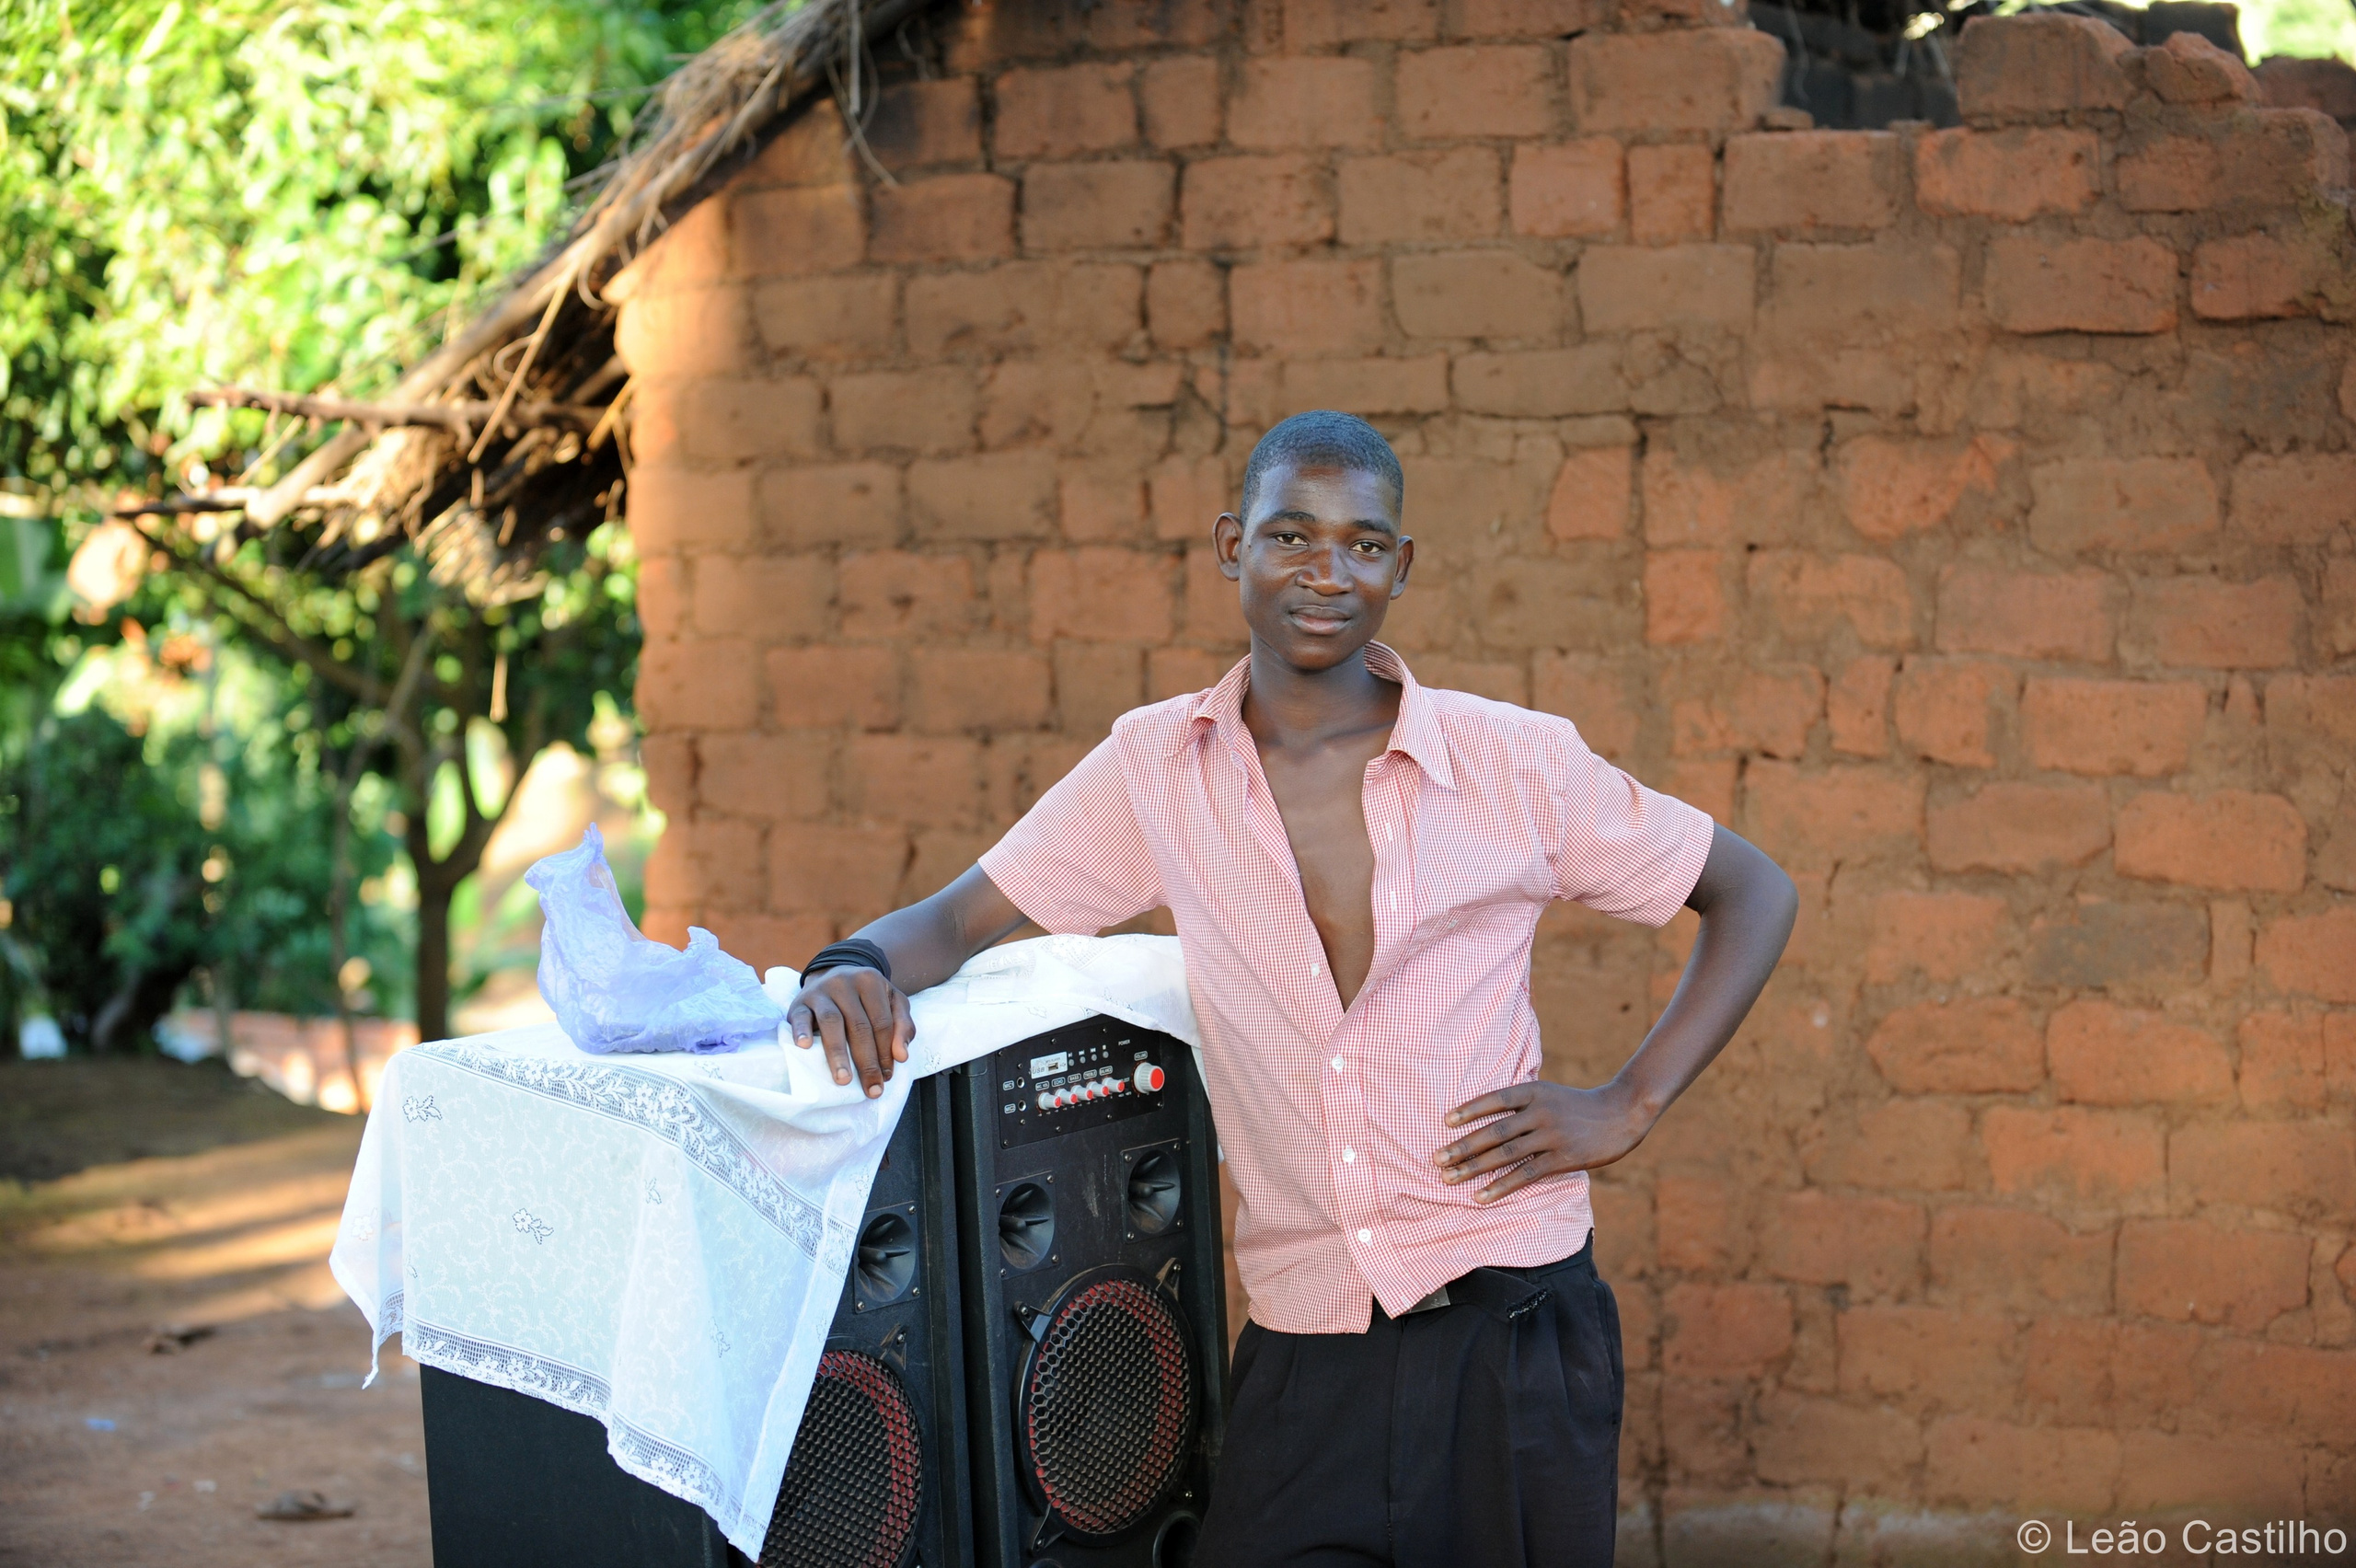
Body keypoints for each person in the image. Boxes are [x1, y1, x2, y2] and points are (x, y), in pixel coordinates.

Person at [783, 409, 1797, 1567]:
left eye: (1366, 546)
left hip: (1510, 1318)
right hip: (1309, 1340)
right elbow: (960, 918)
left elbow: (1750, 892)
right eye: (1291, 538)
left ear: (1401, 568)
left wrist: (1628, 1103)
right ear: (1232, 546)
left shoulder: (1513, 761)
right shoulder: (1159, 770)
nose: (1328, 575)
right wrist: (850, 967)